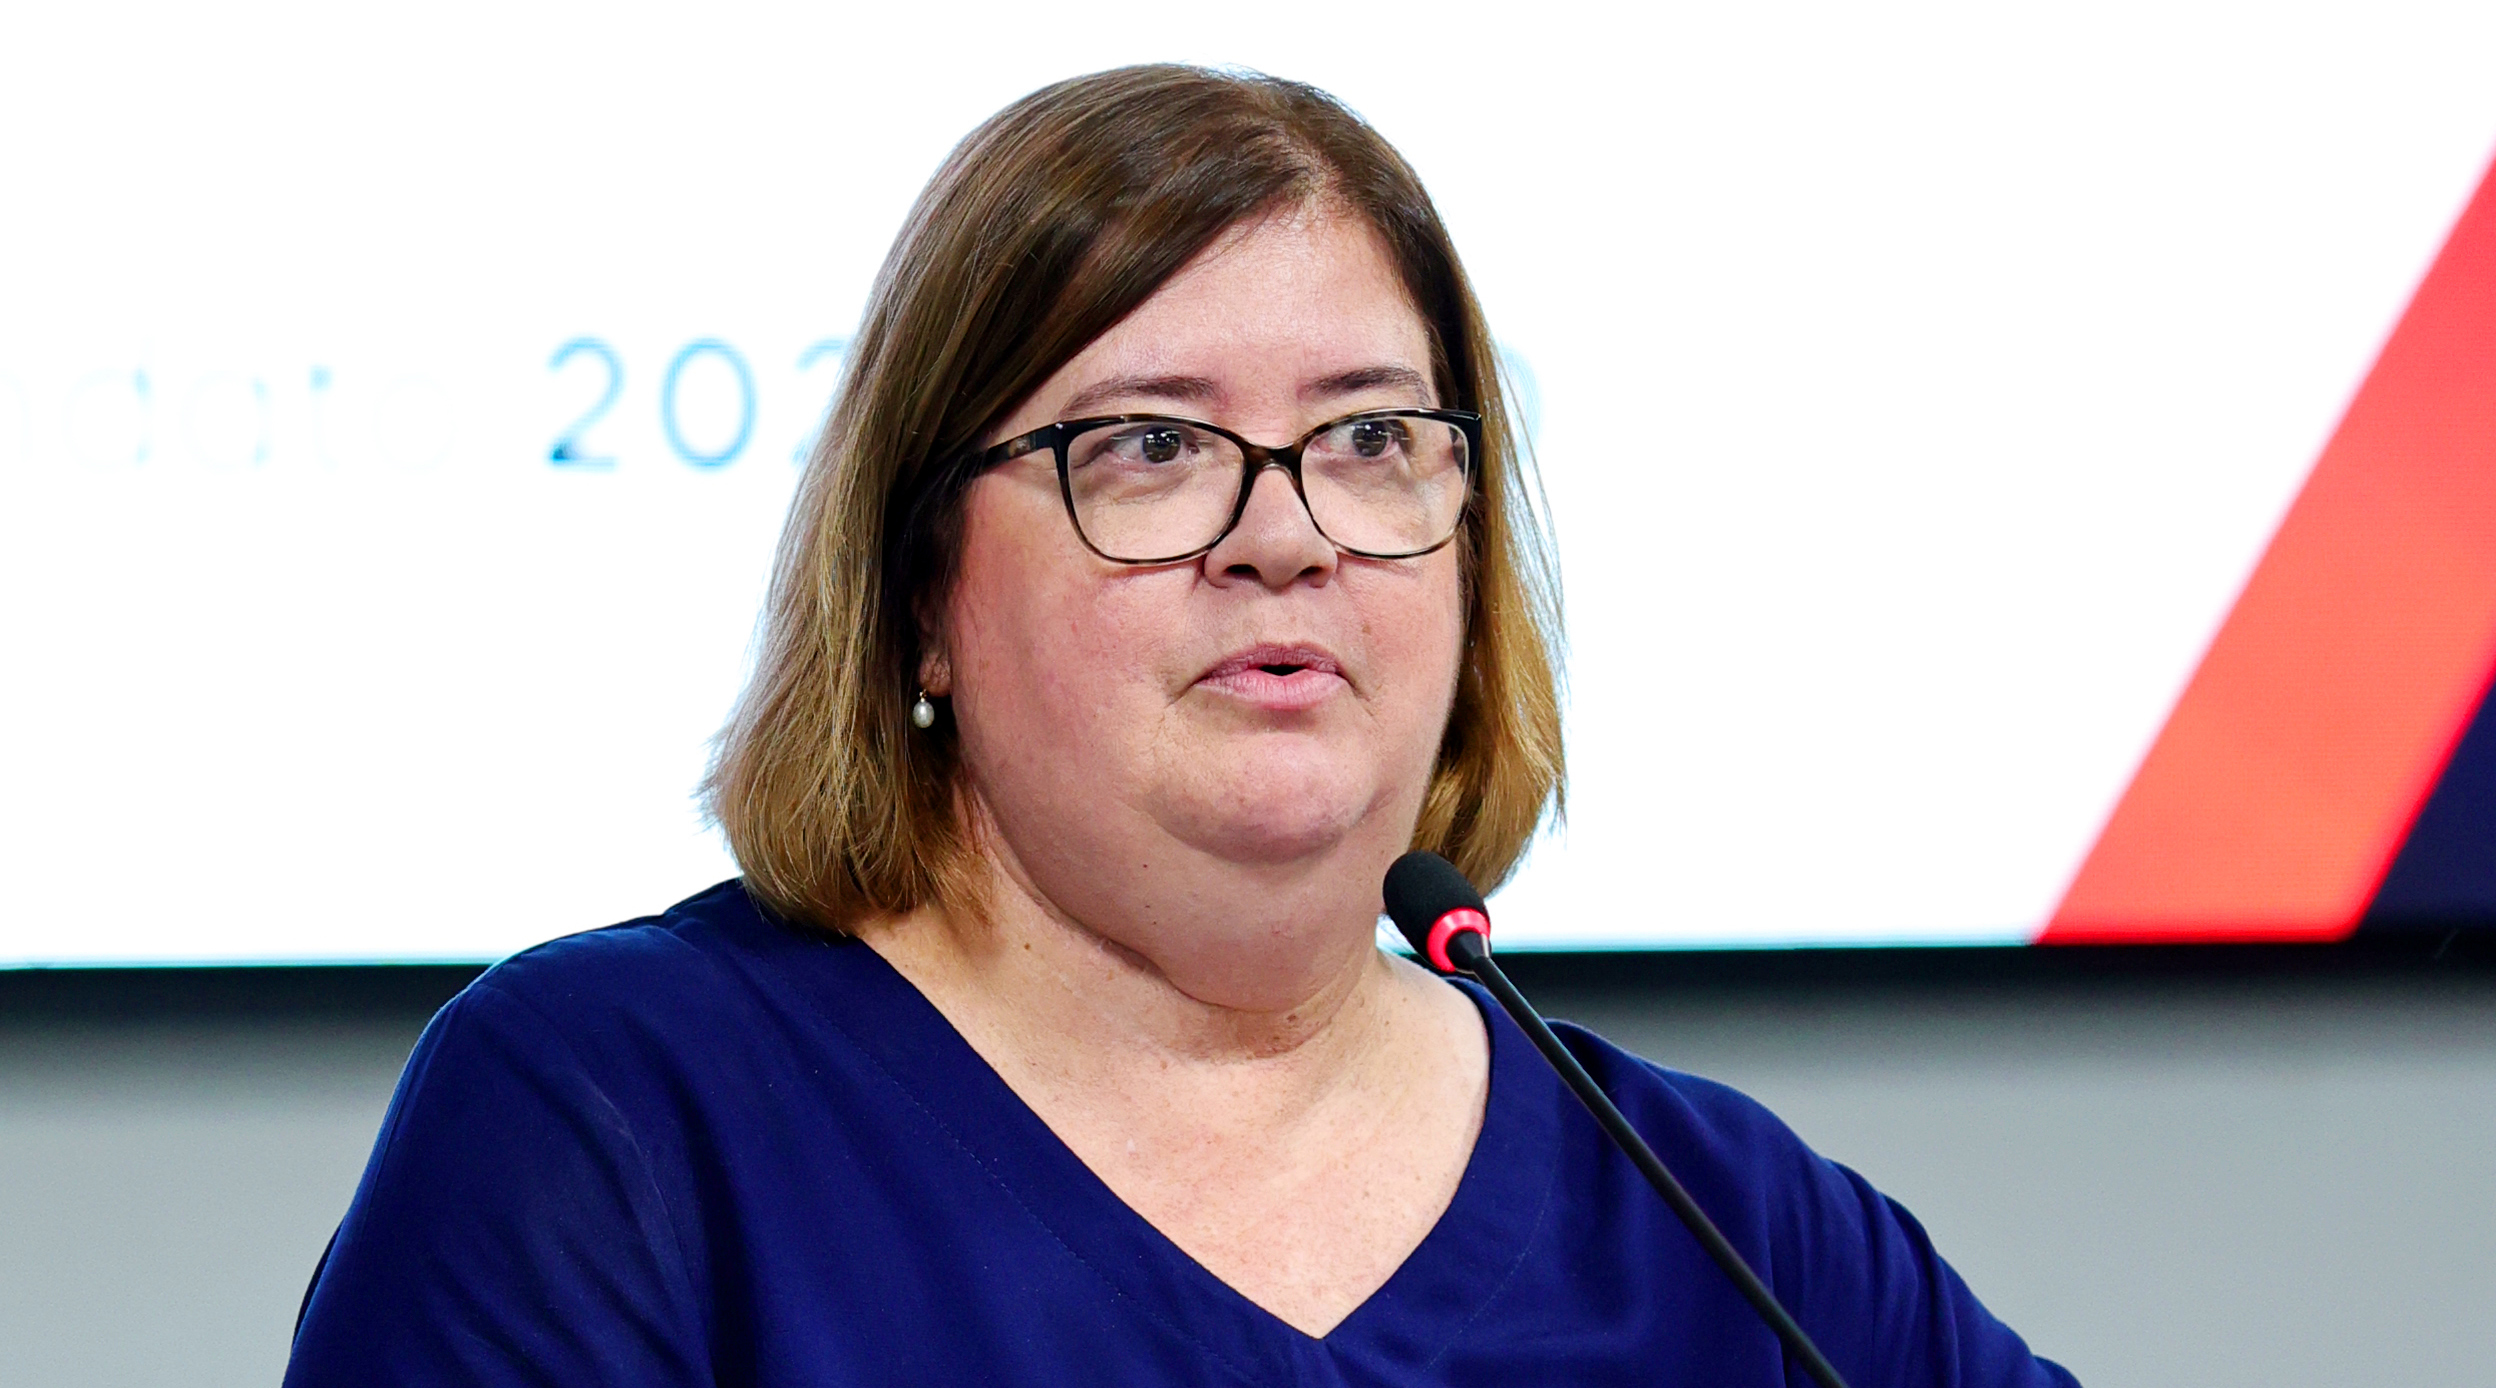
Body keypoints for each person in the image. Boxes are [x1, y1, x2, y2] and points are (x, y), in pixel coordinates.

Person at [285, 65, 2077, 1387]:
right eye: (1150, 445)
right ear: (921, 590)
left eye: (1372, 439)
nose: (1284, 536)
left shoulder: (1718, 1224)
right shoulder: (612, 1121)